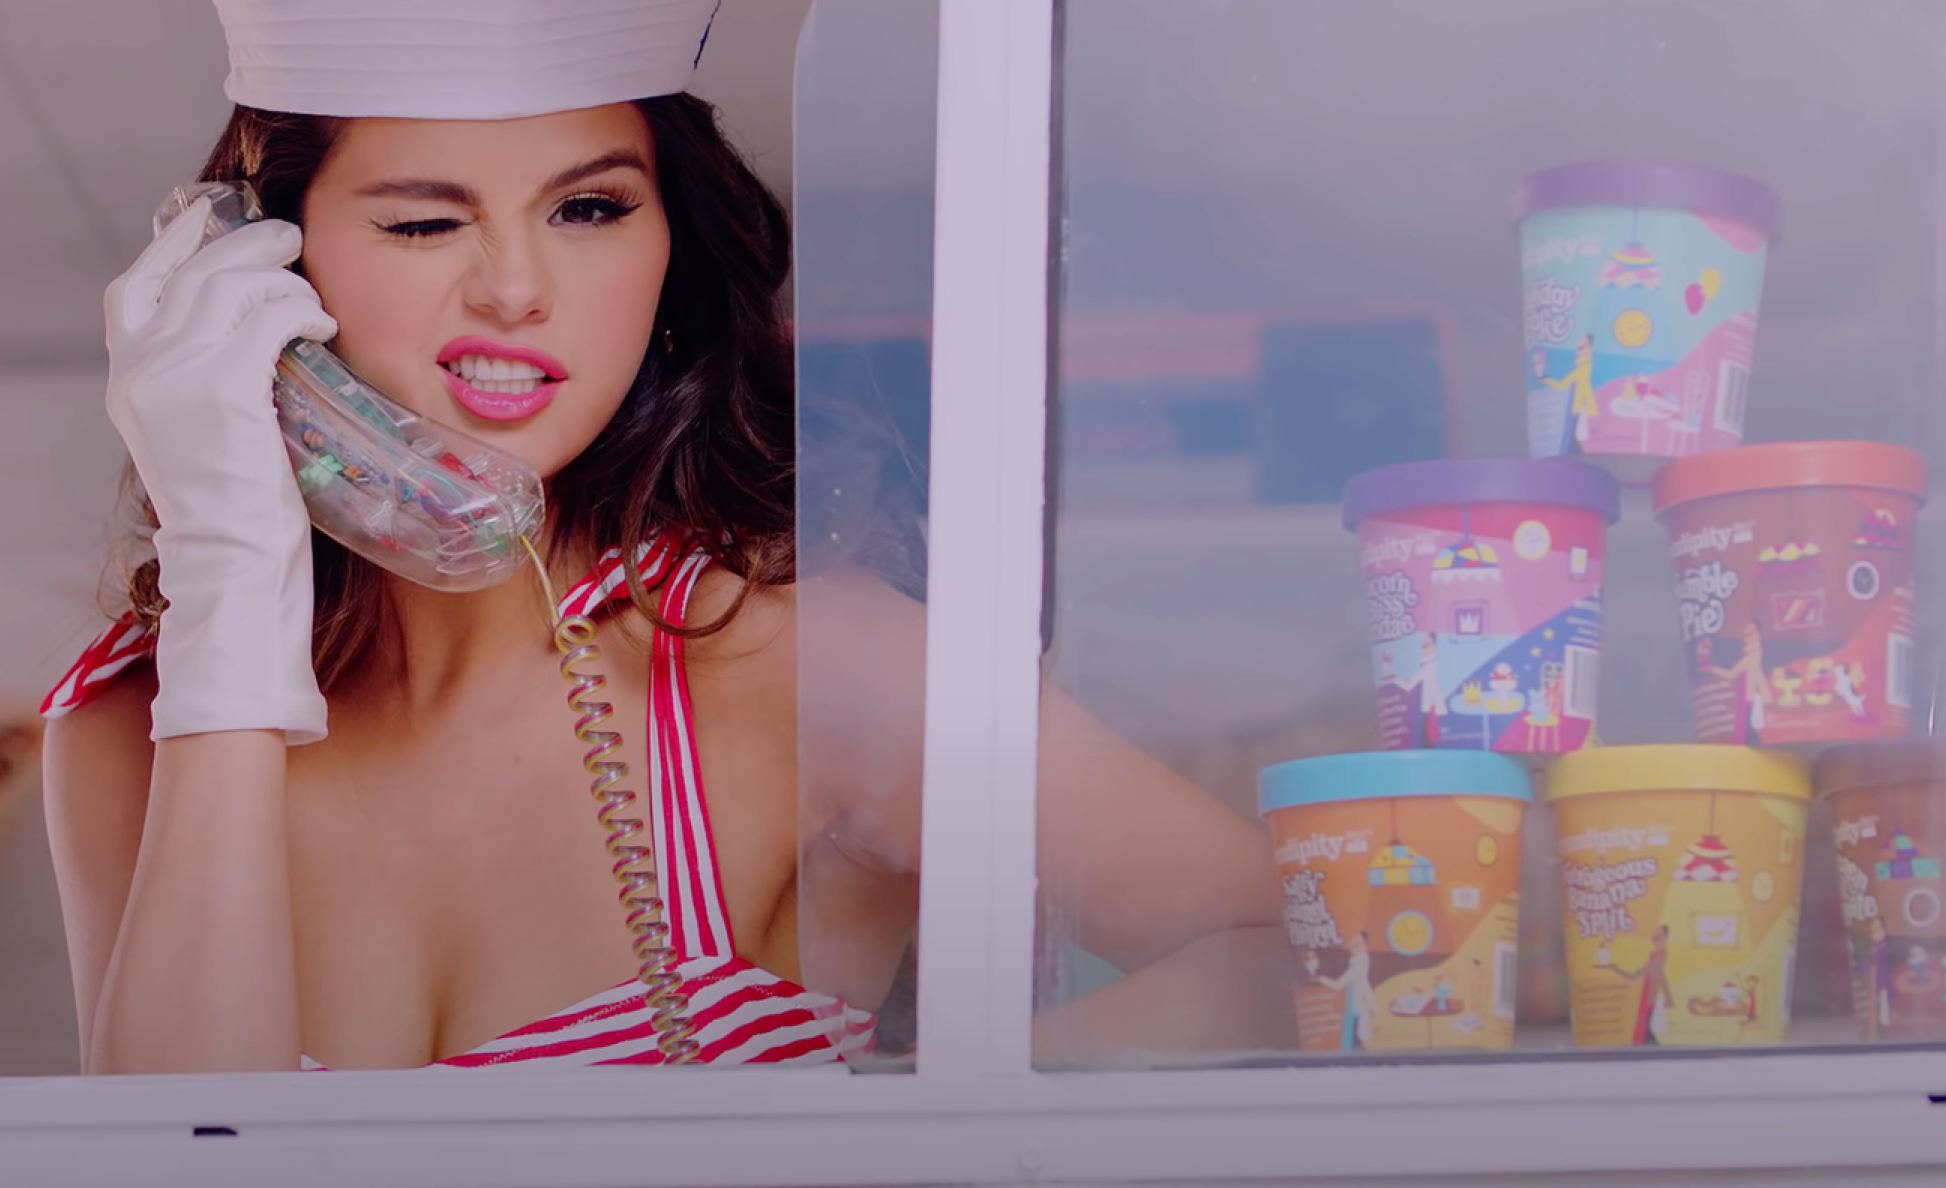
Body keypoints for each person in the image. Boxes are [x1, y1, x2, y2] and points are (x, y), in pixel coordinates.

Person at [38, 0, 1285, 1074]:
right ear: (255, 276)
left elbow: (1312, 952)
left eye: (587, 209)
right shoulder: (126, 730)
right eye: (424, 224)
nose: (516, 287)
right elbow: (175, 1156)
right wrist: (229, 589)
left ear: (667, 253)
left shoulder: (812, 667)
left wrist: (882, 1125)